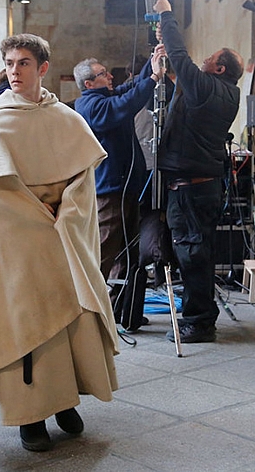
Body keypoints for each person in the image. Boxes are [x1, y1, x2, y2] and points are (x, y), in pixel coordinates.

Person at [0, 34, 118, 453]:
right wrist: (29, 213)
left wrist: (66, 211)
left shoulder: (66, 117)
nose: (15, 71)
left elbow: (84, 180)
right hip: (19, 238)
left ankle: (66, 402)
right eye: (9, 62)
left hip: (63, 233)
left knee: (73, 317)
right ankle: (31, 415)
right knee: (28, 325)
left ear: (43, 68)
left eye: (24, 63)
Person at [152, 0, 244, 343]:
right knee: (197, 254)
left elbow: (181, 58)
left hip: (191, 189)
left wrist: (167, 15)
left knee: (192, 256)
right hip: (199, 185)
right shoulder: (223, 92)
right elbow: (185, 83)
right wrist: (165, 74)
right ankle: (201, 317)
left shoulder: (208, 87)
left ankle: (199, 323)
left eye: (211, 59)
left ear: (219, 69)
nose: (204, 60)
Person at [73, 53, 162, 325]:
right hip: (110, 192)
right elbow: (125, 104)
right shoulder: (90, 105)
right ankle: (88, 315)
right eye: (103, 73)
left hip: (126, 188)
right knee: (104, 254)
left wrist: (154, 58)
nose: (111, 76)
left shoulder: (104, 97)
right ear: (89, 83)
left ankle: (125, 314)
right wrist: (155, 78)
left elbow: (128, 89)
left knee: (130, 255)